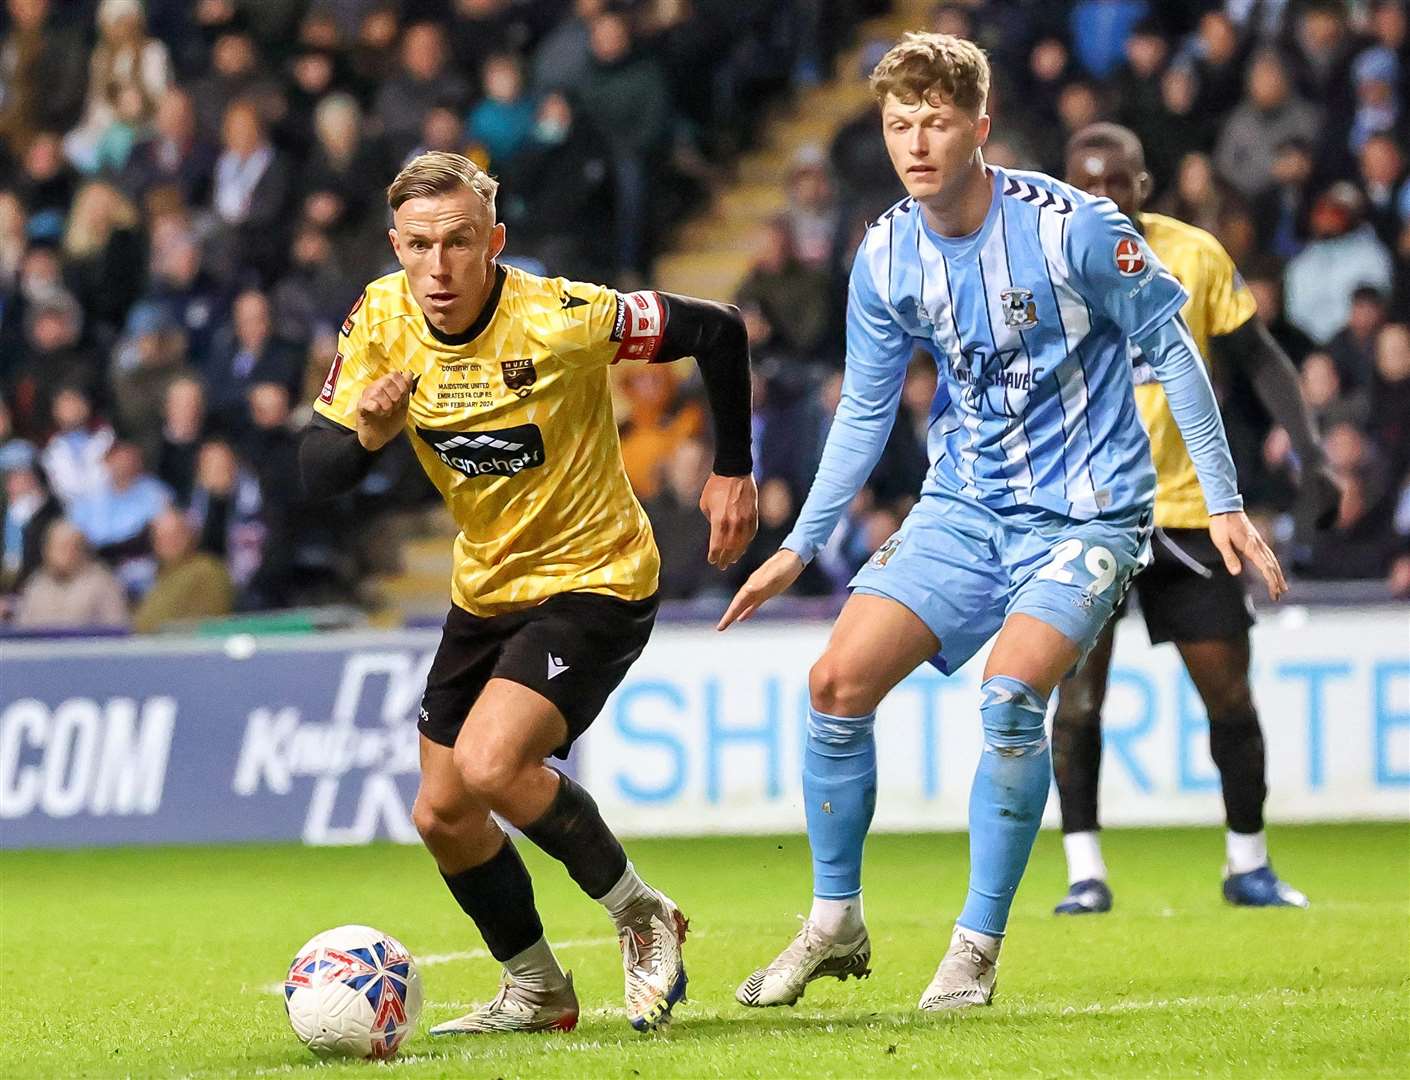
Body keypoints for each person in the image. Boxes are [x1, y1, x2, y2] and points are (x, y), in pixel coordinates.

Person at [723, 33, 1286, 1014]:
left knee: (1009, 695)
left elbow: (1173, 348)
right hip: (965, 505)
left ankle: (974, 949)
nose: (916, 142)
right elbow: (864, 408)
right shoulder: (888, 252)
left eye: (937, 122)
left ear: (979, 126)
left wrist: (1226, 501)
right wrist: (798, 544)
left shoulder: (1074, 229)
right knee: (834, 683)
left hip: (1090, 512)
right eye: (900, 124)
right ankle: (835, 921)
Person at [298, 151, 757, 1034]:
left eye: (460, 242)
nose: (438, 266)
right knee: (442, 812)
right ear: (396, 246)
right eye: (420, 245)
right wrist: (368, 434)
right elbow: (314, 472)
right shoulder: (381, 318)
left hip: (599, 576)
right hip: (488, 587)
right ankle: (538, 988)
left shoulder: (562, 317)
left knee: (492, 765)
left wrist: (732, 470)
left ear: (495, 244)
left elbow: (721, 329)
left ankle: (640, 914)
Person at [1050, 123, 1343, 916]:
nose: (1102, 196)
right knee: (1076, 705)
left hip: (1190, 516)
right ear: (1068, 188)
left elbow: (1261, 358)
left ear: (1145, 188)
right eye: (1087, 184)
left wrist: (1310, 451)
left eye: (1118, 183)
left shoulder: (1195, 255)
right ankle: (1086, 875)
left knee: (1231, 700)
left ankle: (1248, 864)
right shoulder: (1040, 266)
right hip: (1085, 520)